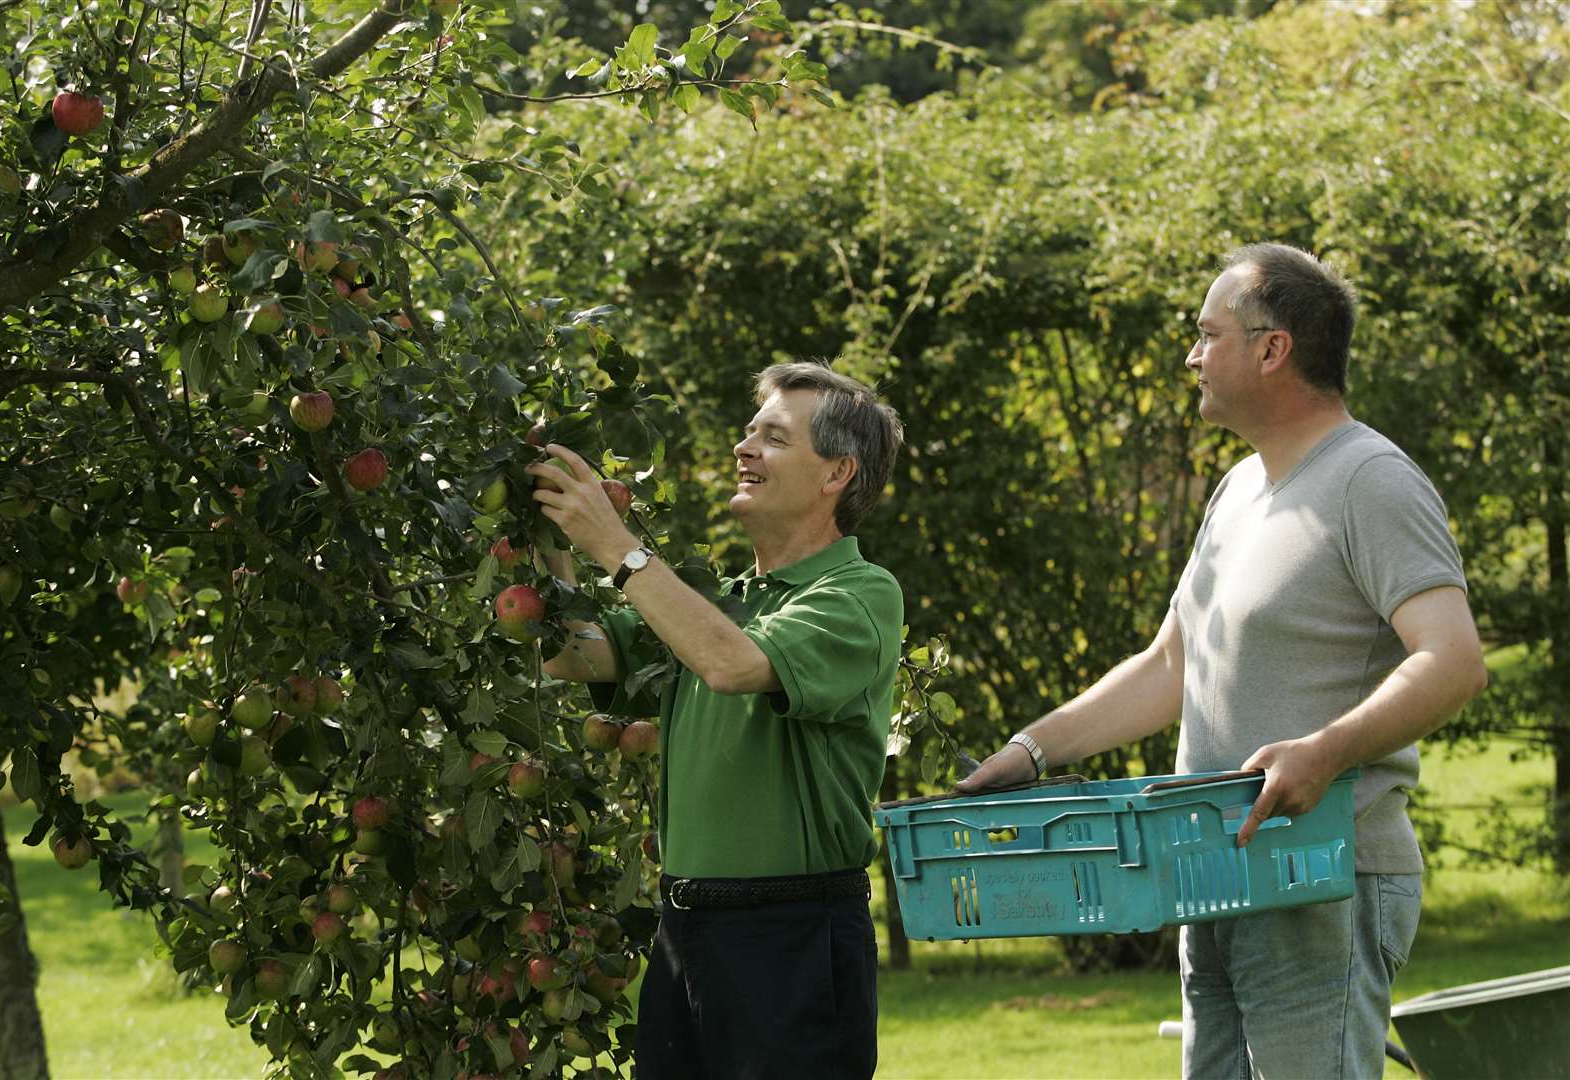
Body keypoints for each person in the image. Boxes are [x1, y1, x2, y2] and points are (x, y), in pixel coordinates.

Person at [957, 243, 1487, 1079]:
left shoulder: (1370, 480)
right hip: (1210, 871)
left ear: (1272, 348)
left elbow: (1453, 660)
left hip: (1322, 875)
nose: (1191, 355)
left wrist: (1325, 752)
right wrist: (1031, 750)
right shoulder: (1239, 487)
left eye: (1207, 335)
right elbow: (1172, 664)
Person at [530, 361, 905, 1080]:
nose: (743, 448)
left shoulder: (858, 596)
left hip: (791, 936)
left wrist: (615, 546)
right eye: (747, 431)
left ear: (836, 474)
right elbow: (570, 654)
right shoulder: (713, 601)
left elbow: (731, 665)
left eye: (772, 437)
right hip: (686, 929)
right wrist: (549, 520)